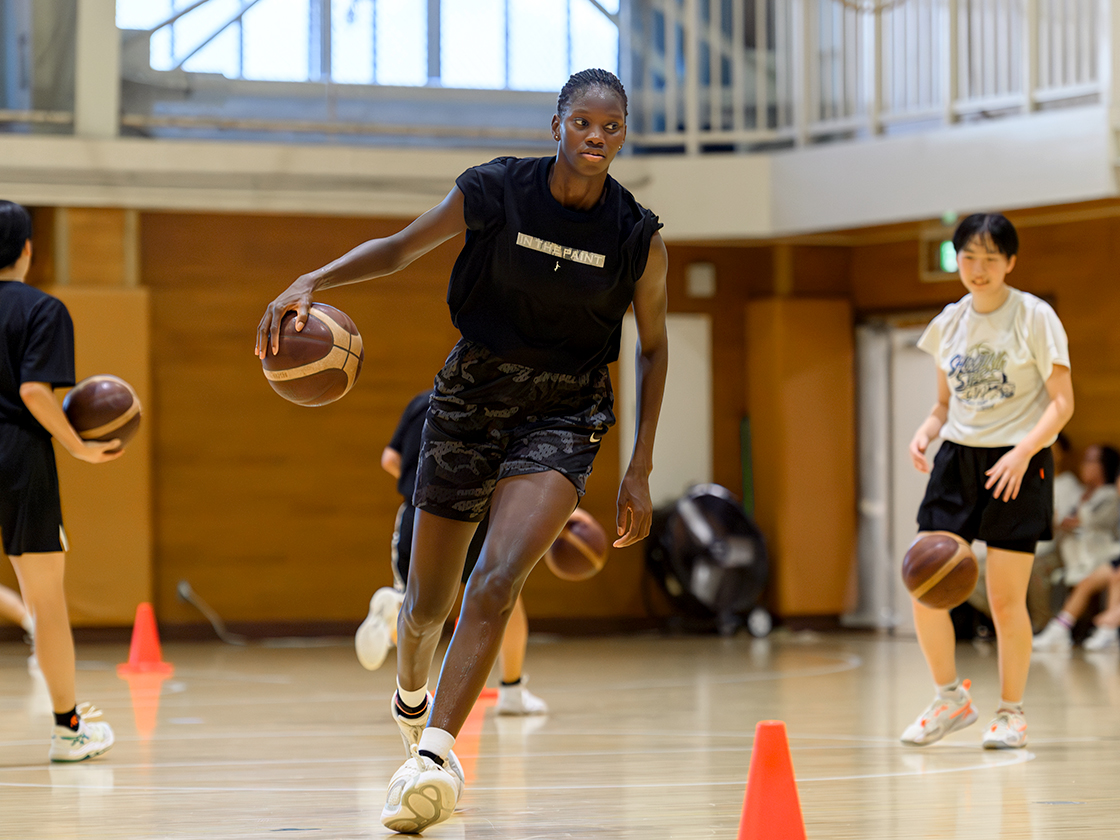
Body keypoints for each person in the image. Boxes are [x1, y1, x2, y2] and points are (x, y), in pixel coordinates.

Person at [257, 69, 668, 832]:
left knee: (499, 576)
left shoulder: (636, 235)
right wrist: (312, 278)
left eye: (611, 127)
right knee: (424, 608)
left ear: (622, 136)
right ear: (557, 125)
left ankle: (434, 756)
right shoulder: (496, 190)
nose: (596, 137)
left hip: (566, 414)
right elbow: (399, 249)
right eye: (583, 122)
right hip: (471, 400)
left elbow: (652, 349)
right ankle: (412, 700)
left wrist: (639, 466)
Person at [899, 212, 1073, 750]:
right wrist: (926, 432)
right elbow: (943, 404)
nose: (978, 268)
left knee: (1004, 600)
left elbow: (1062, 403)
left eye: (990, 258)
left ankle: (1011, 713)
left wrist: (1024, 452)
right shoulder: (949, 321)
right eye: (968, 257)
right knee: (923, 584)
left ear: (1010, 262)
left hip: (1018, 461)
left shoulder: (1035, 316)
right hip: (958, 461)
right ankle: (949, 698)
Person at [0, 200, 119, 761]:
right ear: (28, 250)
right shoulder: (43, 309)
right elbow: (33, 391)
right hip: (20, 457)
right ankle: (69, 729)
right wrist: (79, 447)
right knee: (45, 601)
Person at [355, 389, 548, 716]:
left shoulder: (420, 404)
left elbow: (389, 459)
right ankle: (512, 690)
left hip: (418, 514)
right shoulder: (493, 406)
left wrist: (424, 485)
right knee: (505, 599)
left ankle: (394, 626)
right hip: (474, 516)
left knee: (419, 607)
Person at [1033, 448, 1120, 651]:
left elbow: (1088, 522)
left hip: (1103, 553)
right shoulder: (1084, 494)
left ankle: (1109, 625)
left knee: (1114, 577)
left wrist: (1069, 521)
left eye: (1090, 461)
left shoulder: (1109, 497)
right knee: (1088, 582)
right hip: (1088, 557)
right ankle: (1061, 630)